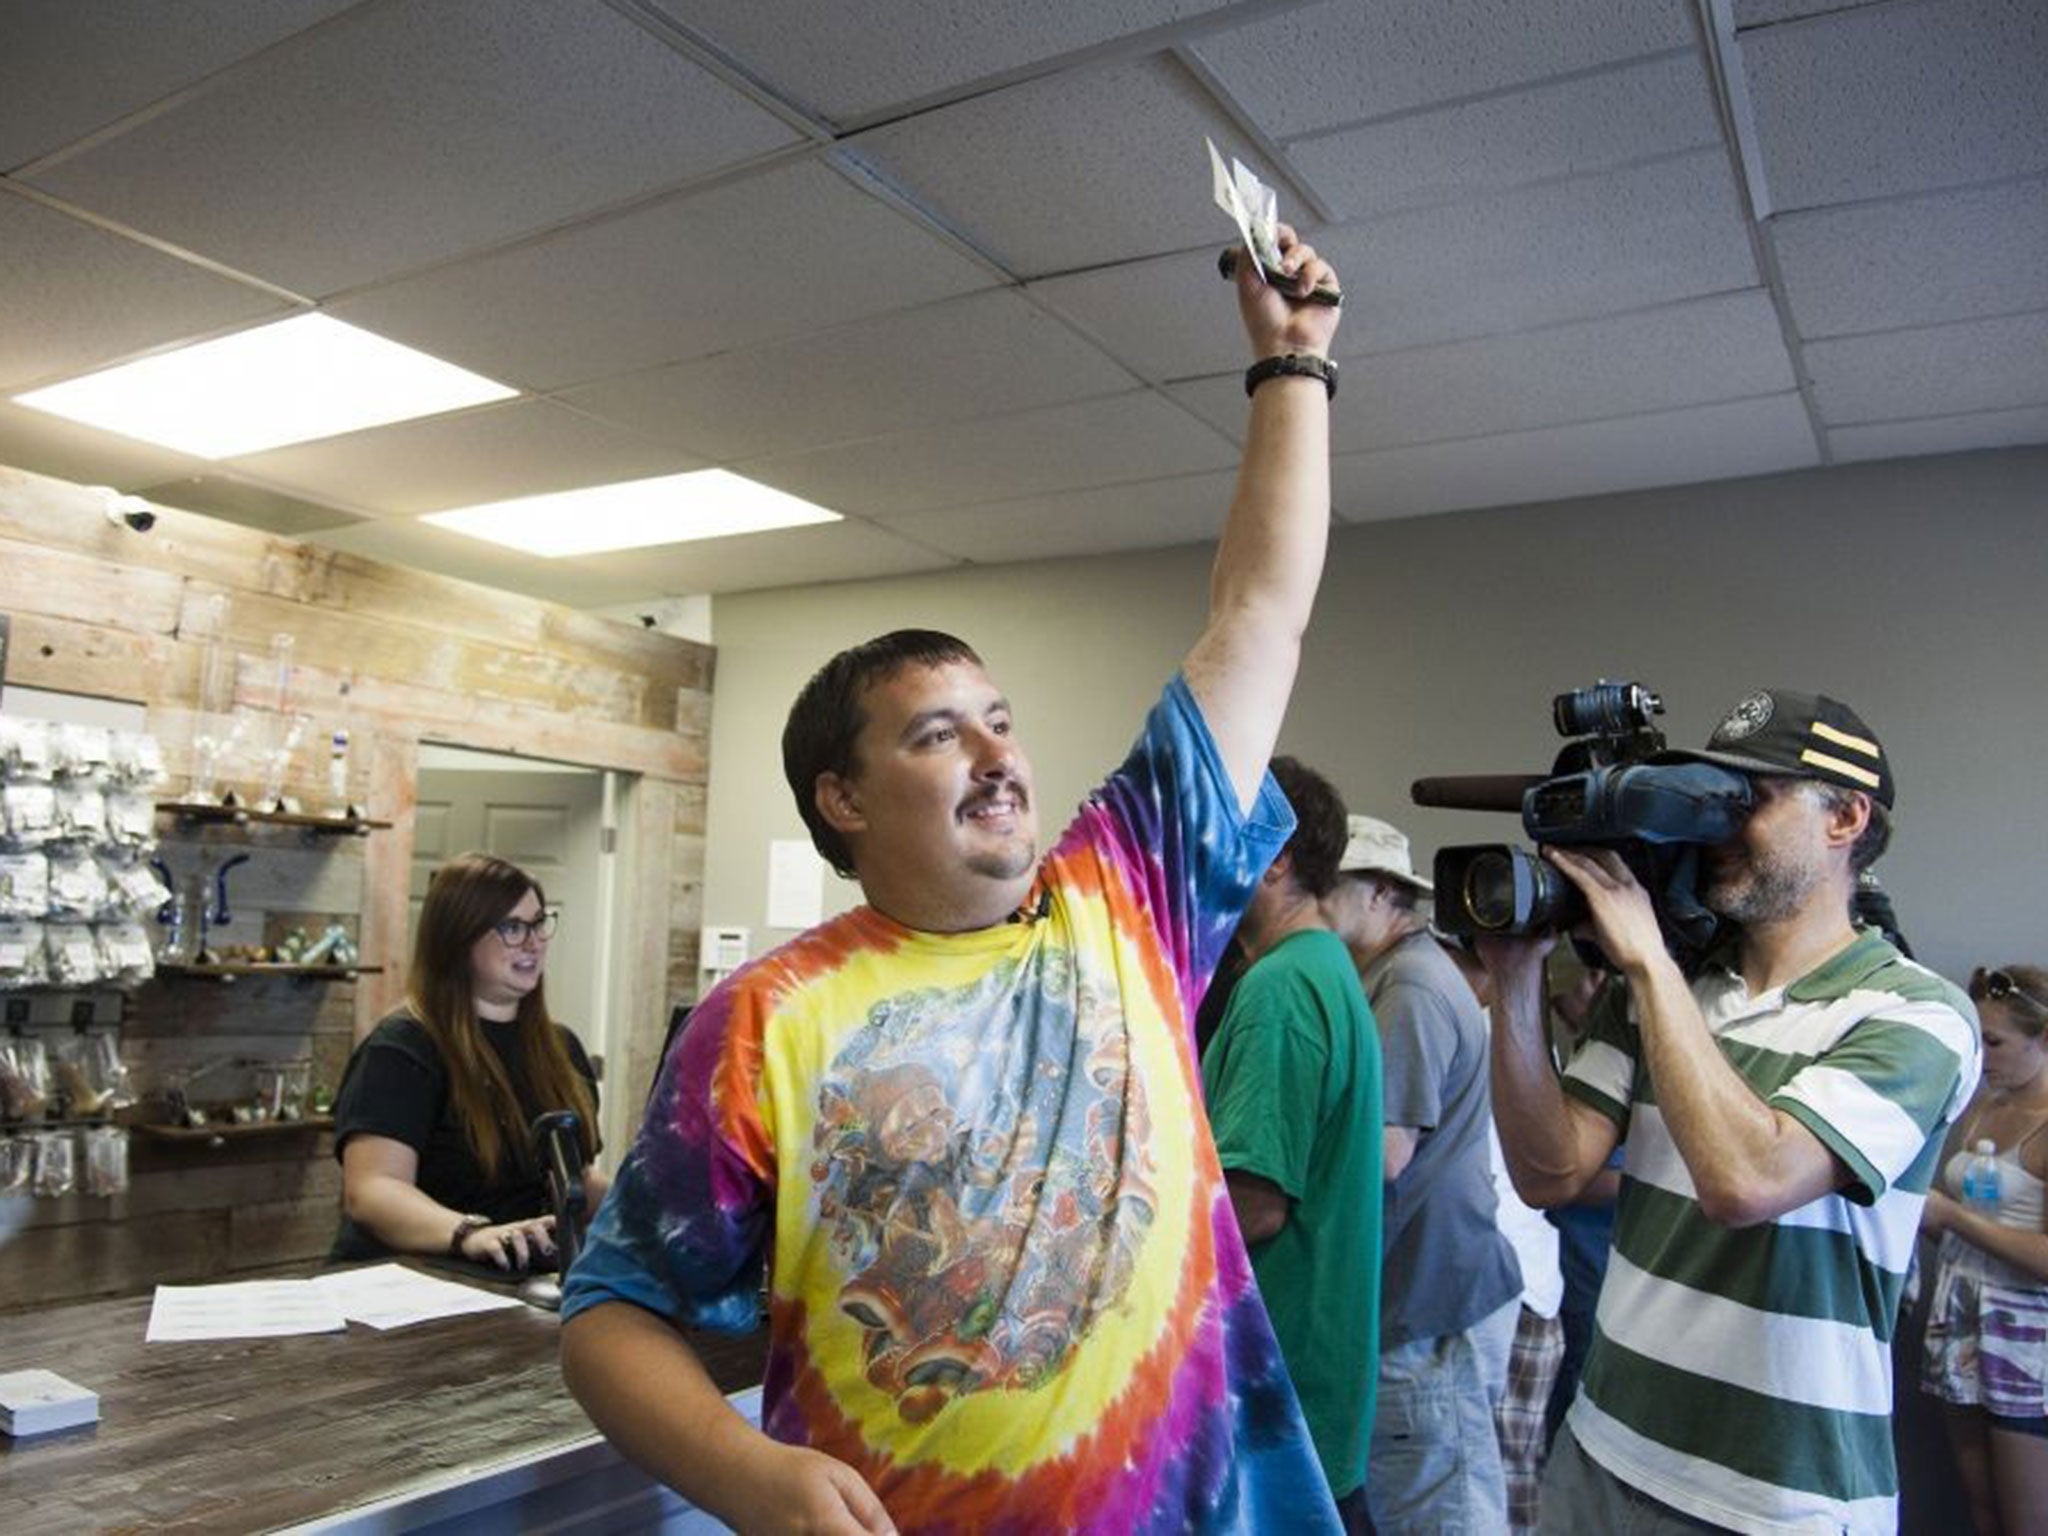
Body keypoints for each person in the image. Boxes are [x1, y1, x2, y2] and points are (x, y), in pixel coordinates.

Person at [559, 227, 1347, 1535]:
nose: (996, 755)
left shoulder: (1128, 899)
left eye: (1000, 718)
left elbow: (1259, 612)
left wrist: (1293, 370)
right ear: (845, 799)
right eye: (937, 734)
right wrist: (746, 1472)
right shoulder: (766, 1020)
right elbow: (610, 1320)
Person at [1482, 689, 1980, 1535]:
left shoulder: (1915, 1014)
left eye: (1751, 802)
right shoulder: (1673, 991)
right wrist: (1516, 977)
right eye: (1713, 802)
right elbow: (1549, 1171)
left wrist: (1645, 960)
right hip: (1600, 1447)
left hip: (1773, 1495)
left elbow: (1748, 1179)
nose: (1718, 828)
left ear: (1846, 818)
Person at [1323, 813, 1521, 1535]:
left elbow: (1382, 1155)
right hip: (1425, 1299)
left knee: (1441, 1513)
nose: (1310, 901)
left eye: (1328, 885)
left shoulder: (1408, 985)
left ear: (1378, 893)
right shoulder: (1396, 975)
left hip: (1430, 1312)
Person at [1201, 756, 1383, 1528]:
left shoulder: (1280, 989)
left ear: (1274, 857)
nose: (1198, 855)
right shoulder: (1320, 965)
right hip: (1310, 1372)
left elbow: (1255, 1206)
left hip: (1277, 1376)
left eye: (1217, 835)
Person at [331, 852, 607, 1270]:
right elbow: (373, 1190)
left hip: (516, 1283)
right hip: (415, 1283)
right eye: (513, 927)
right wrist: (469, 1233)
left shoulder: (561, 1048)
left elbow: (574, 1180)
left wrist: (652, 1206)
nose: (534, 942)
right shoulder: (402, 1048)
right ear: (458, 939)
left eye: (538, 923)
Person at [1919, 963, 2048, 1536]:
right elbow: (1951, 1224)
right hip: (1962, 1318)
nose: (1983, 1055)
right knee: (1981, 1510)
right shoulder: (1984, 1106)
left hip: (2026, 1338)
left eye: (1994, 1041)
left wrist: (1951, 1216)